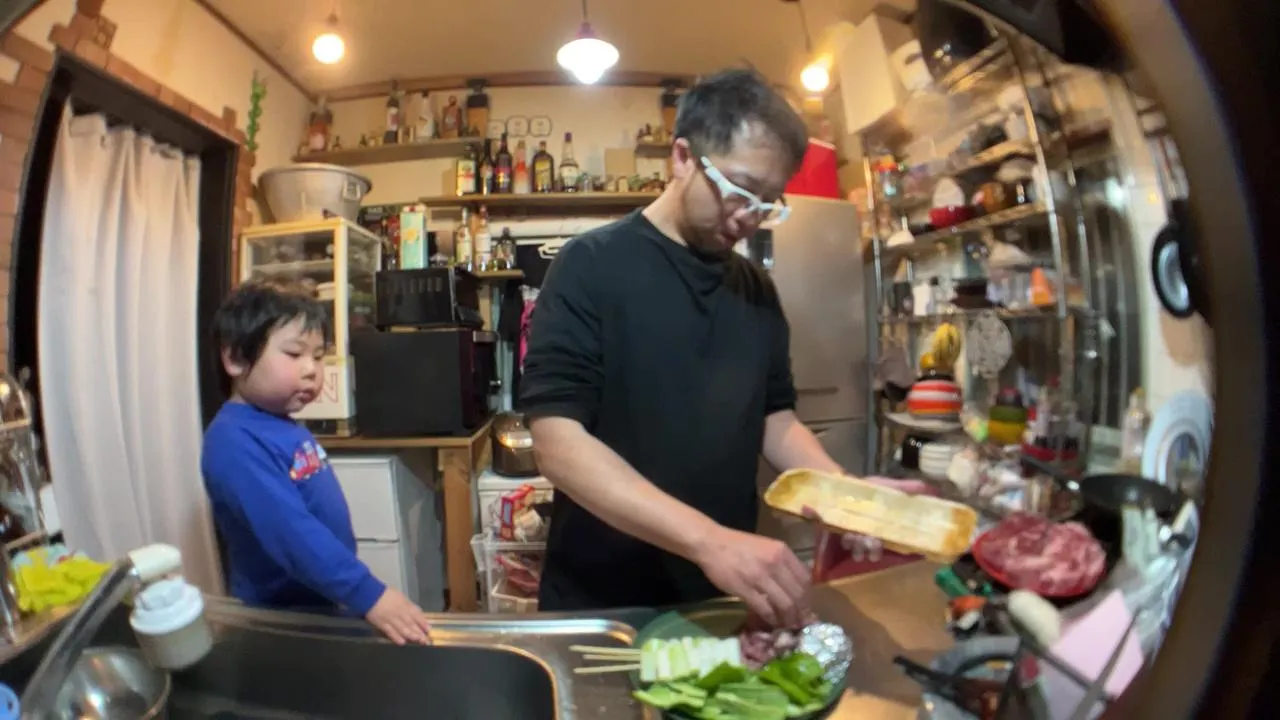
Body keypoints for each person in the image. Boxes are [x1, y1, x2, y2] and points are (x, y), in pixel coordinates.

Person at [520, 69, 847, 627]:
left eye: (768, 202)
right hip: (605, 602)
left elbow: (776, 419)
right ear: (682, 157)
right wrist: (709, 541)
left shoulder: (756, 289)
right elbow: (557, 443)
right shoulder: (591, 265)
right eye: (739, 189)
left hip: (718, 595)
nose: (749, 218)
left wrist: (848, 499)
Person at [201, 280, 432, 645]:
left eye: (319, 356)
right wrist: (368, 594)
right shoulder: (233, 442)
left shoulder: (279, 422)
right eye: (294, 354)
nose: (311, 369)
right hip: (277, 621)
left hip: (317, 602)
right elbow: (291, 533)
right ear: (235, 359)